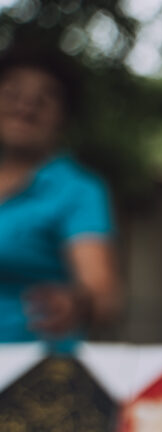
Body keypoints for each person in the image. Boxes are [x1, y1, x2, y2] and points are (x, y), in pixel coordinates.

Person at [0, 45, 120, 346]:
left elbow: (102, 293)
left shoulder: (78, 189)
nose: (25, 106)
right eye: (12, 94)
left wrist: (76, 303)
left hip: (37, 362)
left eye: (43, 99)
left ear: (63, 117)